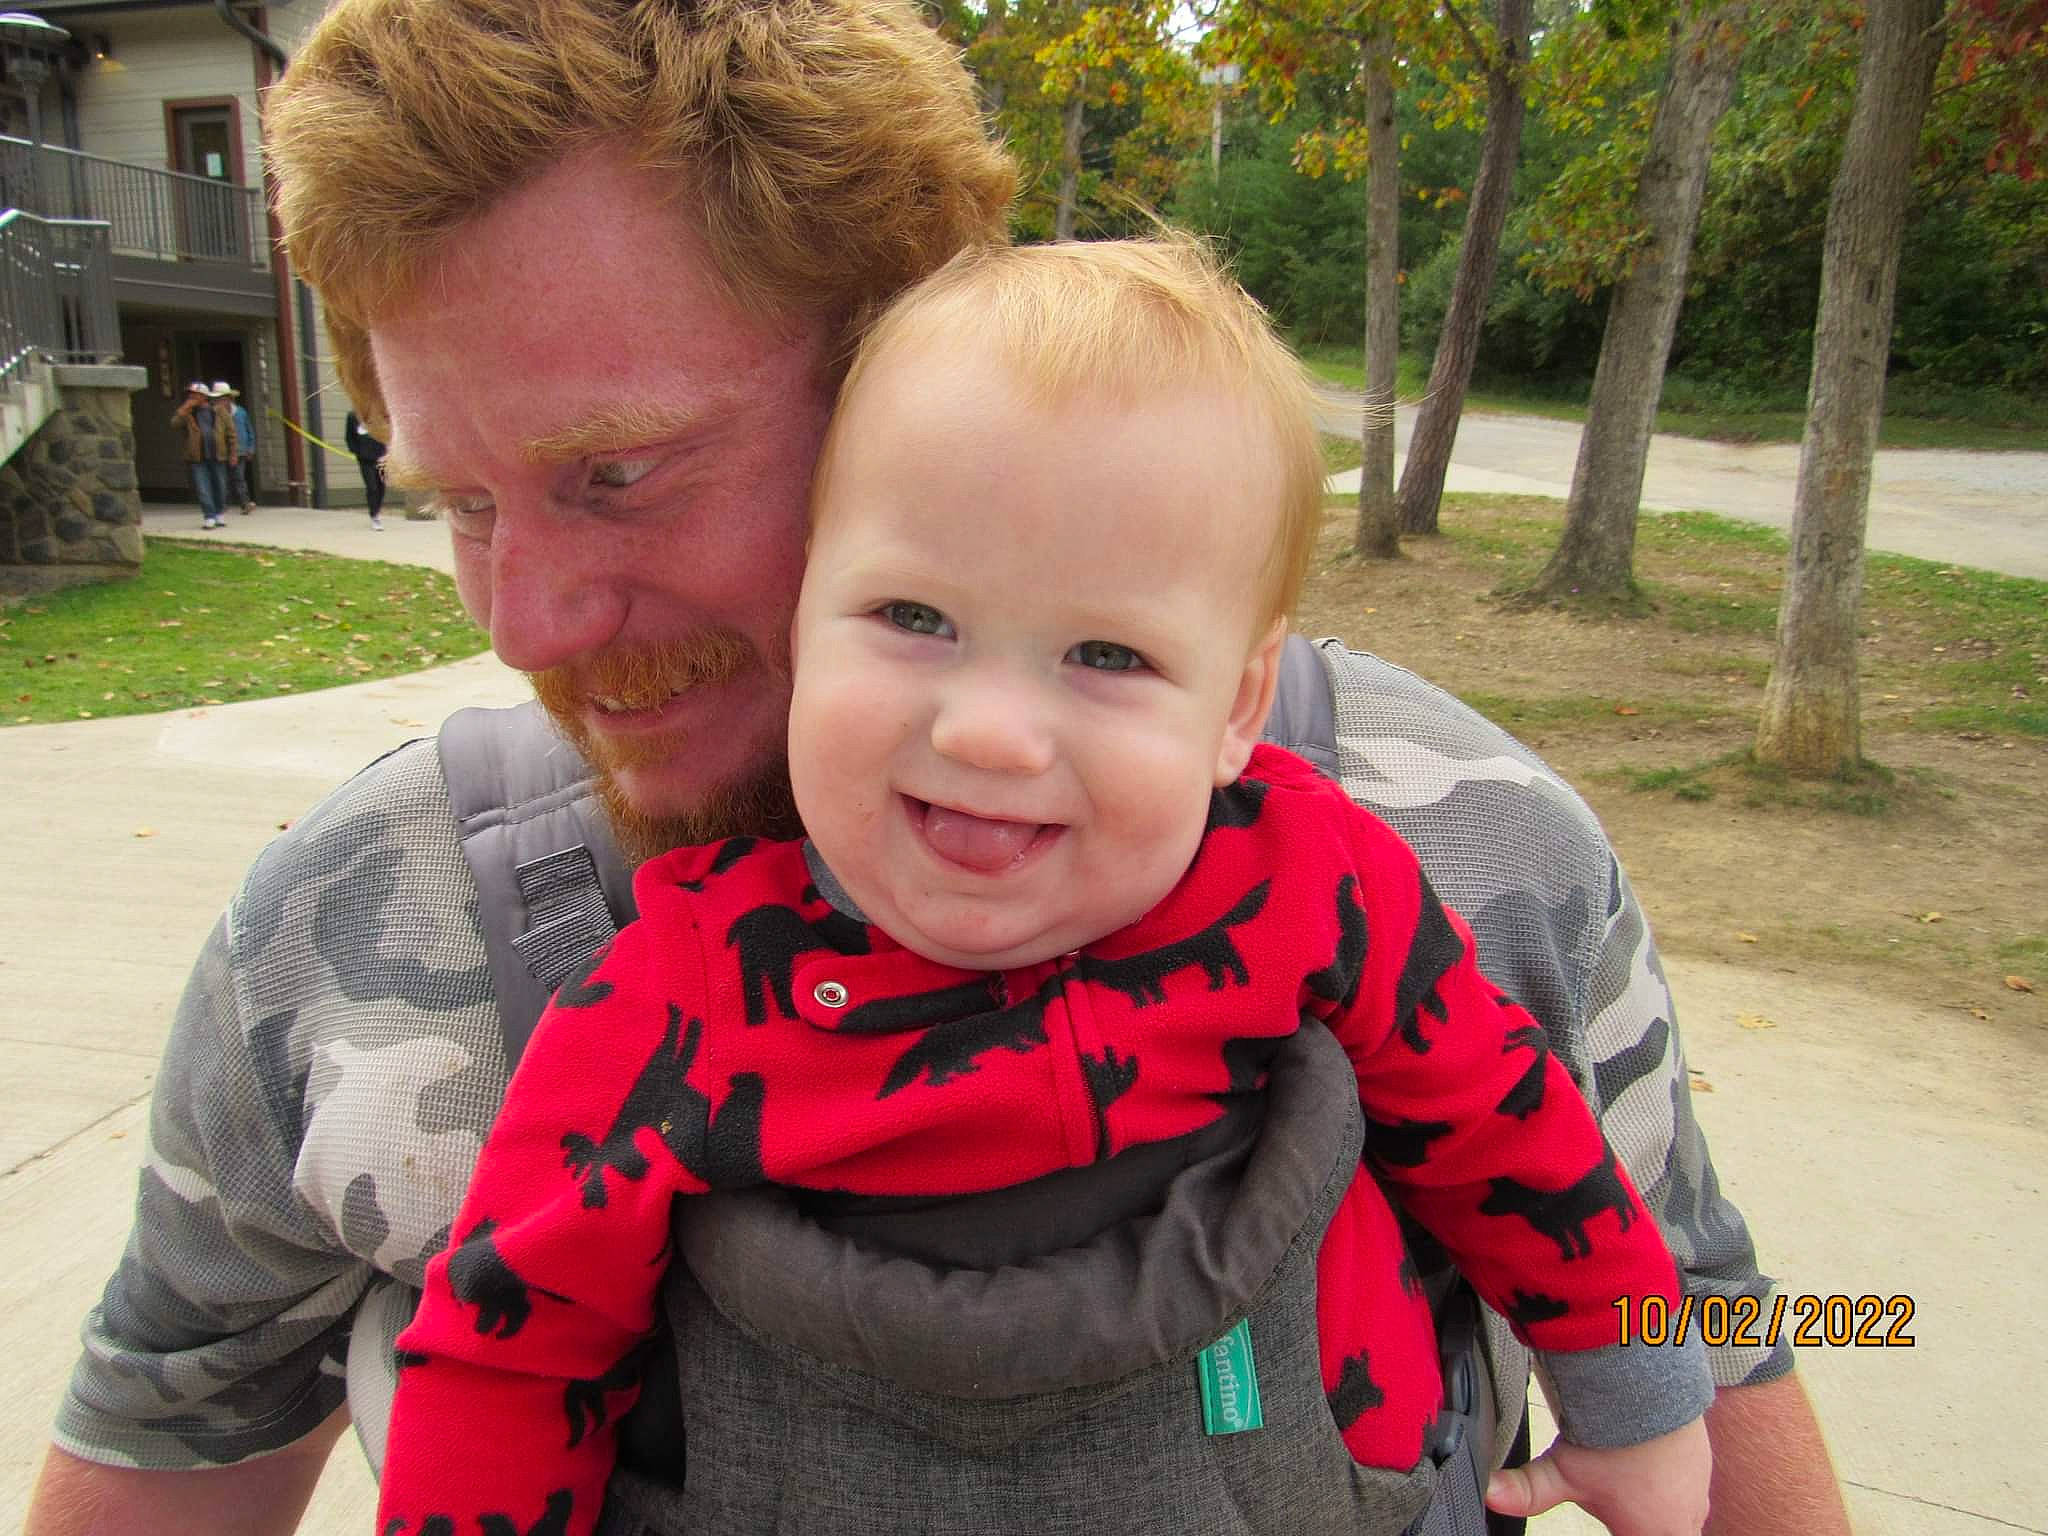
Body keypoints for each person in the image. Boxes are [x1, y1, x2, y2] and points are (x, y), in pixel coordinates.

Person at [26, 3, 1849, 1534]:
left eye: (618, 469)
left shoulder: (1468, 858)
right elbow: (163, 1464)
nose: (533, 622)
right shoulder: (341, 939)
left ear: (903, 359)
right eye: (460, 500)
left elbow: (1692, 1328)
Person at [378, 236, 1713, 1536]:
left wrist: (1640, 1398)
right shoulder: (681, 986)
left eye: (1106, 655)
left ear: (1239, 702)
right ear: (802, 615)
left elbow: (1516, 1135)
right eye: (913, 620)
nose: (988, 734)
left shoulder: (1308, 880)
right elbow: (508, 1349)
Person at [170, 379, 235, 529]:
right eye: (190, 395)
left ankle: (220, 513)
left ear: (204, 396)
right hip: (197, 457)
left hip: (218, 455)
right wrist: (184, 408)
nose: (191, 398)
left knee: (220, 485)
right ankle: (209, 516)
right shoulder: (188, 413)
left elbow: (231, 433)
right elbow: (174, 424)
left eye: (195, 395)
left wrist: (233, 453)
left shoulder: (218, 411)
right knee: (202, 488)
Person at [219, 381, 258, 513]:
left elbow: (249, 430)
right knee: (223, 478)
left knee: (239, 477)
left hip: (240, 450)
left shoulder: (241, 412)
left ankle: (245, 503)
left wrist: (250, 448)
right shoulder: (216, 414)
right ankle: (222, 505)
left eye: (225, 399)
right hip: (222, 451)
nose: (222, 402)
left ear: (230, 399)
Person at [345, 407, 387, 529]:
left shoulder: (380, 414)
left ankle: (377, 510)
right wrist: (357, 452)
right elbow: (349, 437)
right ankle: (374, 516)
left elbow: (388, 434)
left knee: (381, 486)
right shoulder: (353, 416)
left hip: (381, 457)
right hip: (365, 459)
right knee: (372, 486)